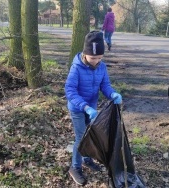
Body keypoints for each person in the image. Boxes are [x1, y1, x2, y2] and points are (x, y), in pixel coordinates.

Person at [65, 30, 122, 185]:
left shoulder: (101, 67)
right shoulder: (76, 68)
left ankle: (86, 159)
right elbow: (69, 90)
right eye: (93, 58)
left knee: (90, 134)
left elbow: (105, 85)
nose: (96, 61)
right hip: (78, 108)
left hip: (92, 107)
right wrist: (84, 107)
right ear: (85, 54)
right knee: (81, 136)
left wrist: (113, 94)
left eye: (99, 58)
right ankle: (75, 167)